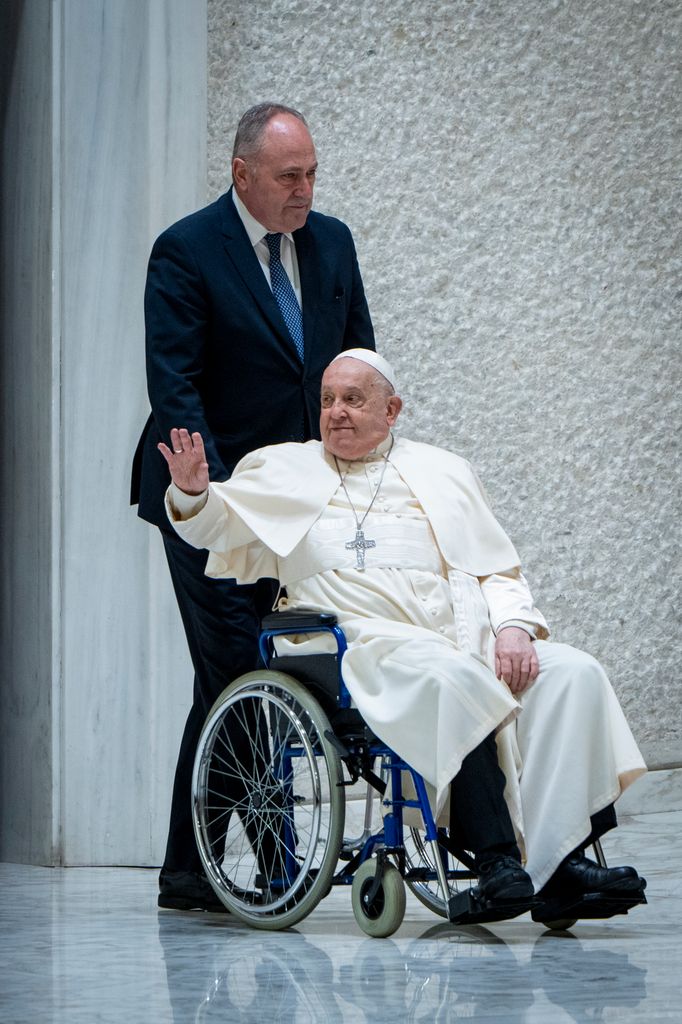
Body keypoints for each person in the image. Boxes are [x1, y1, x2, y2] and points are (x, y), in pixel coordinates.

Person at [159, 349, 647, 923]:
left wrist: (513, 627)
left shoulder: (445, 471)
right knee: (456, 678)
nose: (335, 413)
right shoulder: (284, 468)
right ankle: (497, 864)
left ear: (392, 409)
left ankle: (564, 860)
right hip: (355, 646)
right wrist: (193, 493)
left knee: (571, 672)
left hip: (459, 635)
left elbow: (495, 570)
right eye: (326, 401)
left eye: (352, 400)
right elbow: (217, 523)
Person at [130, 103, 375, 911]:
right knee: (237, 665)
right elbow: (176, 384)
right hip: (207, 495)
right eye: (287, 177)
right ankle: (276, 863)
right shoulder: (188, 250)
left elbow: (354, 365)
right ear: (242, 175)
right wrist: (221, 500)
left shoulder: (331, 242)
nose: (304, 191)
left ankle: (187, 869)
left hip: (301, 504)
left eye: (310, 174)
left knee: (237, 681)